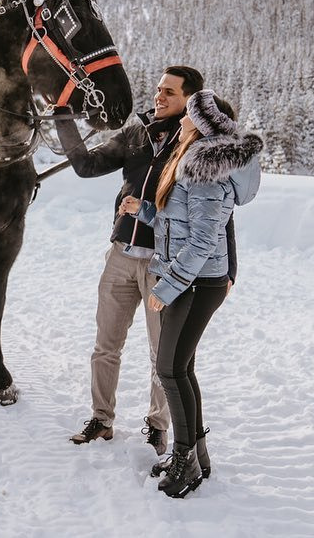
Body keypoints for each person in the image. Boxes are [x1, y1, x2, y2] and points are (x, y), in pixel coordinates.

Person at [59, 66, 236, 454]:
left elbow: (220, 211)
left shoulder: (196, 139)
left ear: (189, 99)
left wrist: (230, 268)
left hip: (166, 263)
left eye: (169, 92)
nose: (159, 96)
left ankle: (158, 427)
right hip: (122, 253)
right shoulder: (137, 131)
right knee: (106, 344)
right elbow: (87, 165)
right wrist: (63, 119)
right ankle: (101, 419)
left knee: (164, 355)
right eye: (158, 89)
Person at [119, 90, 262, 498]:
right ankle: (196, 454)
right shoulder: (190, 165)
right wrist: (143, 210)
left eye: (189, 116)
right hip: (192, 280)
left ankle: (185, 464)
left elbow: (201, 242)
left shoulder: (204, 172)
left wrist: (166, 288)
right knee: (181, 369)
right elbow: (175, 222)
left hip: (195, 283)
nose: (181, 119)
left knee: (169, 370)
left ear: (201, 125)